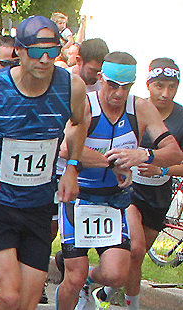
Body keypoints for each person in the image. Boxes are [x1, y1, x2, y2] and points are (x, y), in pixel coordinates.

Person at [0, 15, 90, 310]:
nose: (45, 59)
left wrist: (72, 169)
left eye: (52, 51)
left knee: (28, 303)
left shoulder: (72, 87)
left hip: (38, 205)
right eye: (35, 50)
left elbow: (81, 122)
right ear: (19, 50)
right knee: (8, 296)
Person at [56, 53, 182, 309]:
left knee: (116, 274)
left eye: (125, 87)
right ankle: (77, 285)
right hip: (80, 198)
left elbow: (174, 151)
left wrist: (144, 154)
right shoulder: (87, 105)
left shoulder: (141, 108)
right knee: (74, 275)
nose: (118, 93)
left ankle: (88, 284)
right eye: (112, 85)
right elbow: (65, 148)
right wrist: (112, 162)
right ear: (101, 79)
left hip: (115, 201)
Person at [117, 57, 183, 310]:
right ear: (148, 85)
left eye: (171, 87)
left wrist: (163, 167)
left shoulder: (181, 117)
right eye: (159, 86)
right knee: (135, 249)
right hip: (129, 191)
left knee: (136, 259)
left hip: (159, 195)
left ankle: (100, 286)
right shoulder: (135, 110)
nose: (165, 93)